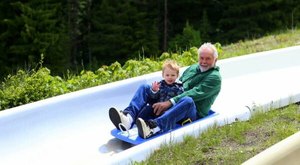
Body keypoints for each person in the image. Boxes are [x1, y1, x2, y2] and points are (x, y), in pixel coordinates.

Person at [109, 60, 184, 132]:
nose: (170, 77)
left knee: (153, 115)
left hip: (166, 112)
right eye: (167, 75)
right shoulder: (160, 85)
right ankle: (129, 119)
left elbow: (179, 102)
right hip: (156, 108)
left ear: (177, 75)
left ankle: (148, 126)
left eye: (173, 75)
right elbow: (153, 98)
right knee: (146, 109)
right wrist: (154, 91)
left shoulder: (179, 87)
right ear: (163, 75)